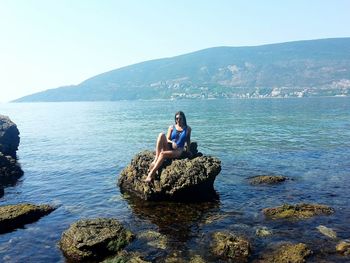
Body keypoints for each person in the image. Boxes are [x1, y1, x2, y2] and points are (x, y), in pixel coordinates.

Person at [145, 111, 191, 182]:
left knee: (162, 154)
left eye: (180, 118)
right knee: (161, 135)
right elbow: (167, 139)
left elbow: (188, 140)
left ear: (183, 119)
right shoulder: (172, 127)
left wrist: (188, 150)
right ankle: (156, 159)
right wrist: (172, 142)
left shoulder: (188, 129)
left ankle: (151, 174)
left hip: (178, 150)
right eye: (177, 118)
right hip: (170, 147)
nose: (178, 120)